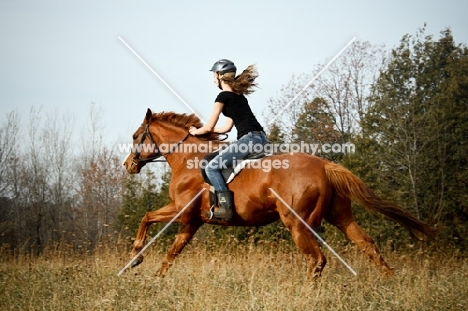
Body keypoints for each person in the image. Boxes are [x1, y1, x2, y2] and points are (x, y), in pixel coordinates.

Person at [189, 59, 270, 221]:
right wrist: (206, 132)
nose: (213, 79)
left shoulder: (222, 96)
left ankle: (226, 208)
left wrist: (196, 131)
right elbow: (226, 128)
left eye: (214, 76)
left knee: (212, 167)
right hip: (262, 139)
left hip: (249, 141)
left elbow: (210, 126)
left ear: (220, 76)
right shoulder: (239, 97)